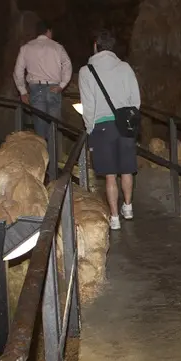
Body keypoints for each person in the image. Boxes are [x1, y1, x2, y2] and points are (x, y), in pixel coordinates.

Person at [78, 30, 141, 230]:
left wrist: (90, 128)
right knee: (127, 169)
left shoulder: (86, 71)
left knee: (110, 175)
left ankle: (114, 217)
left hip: (102, 127)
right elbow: (136, 100)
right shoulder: (125, 67)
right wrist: (129, 119)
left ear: (96, 45)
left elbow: (88, 106)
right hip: (125, 125)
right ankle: (128, 207)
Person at [13, 20, 72, 143]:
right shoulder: (57, 47)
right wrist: (62, 85)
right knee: (54, 128)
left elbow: (18, 71)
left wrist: (23, 91)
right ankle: (53, 159)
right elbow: (67, 66)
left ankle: (42, 159)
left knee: (40, 130)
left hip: (36, 90)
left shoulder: (26, 48)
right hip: (54, 89)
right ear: (48, 31)